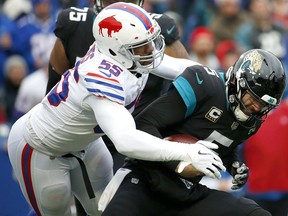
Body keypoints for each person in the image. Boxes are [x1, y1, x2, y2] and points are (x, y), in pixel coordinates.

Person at [7, 3, 225, 216]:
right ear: (117, 50)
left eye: (151, 42)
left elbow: (179, 67)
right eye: (142, 45)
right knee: (56, 208)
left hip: (87, 143)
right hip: (41, 147)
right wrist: (186, 152)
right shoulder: (100, 78)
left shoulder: (126, 54)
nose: (151, 49)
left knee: (108, 209)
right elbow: (126, 140)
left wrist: (229, 79)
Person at [99, 48, 286, 216]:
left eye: (263, 105)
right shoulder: (205, 85)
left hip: (186, 192)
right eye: (252, 99)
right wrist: (179, 161)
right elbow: (143, 125)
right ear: (238, 82)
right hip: (145, 180)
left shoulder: (253, 119)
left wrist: (233, 163)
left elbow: (221, 144)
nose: (255, 107)